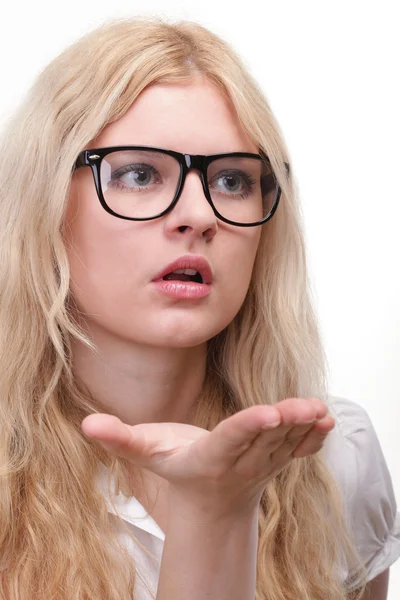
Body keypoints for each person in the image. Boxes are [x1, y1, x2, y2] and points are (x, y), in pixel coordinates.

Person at [0, 15, 398, 600]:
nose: (201, 214)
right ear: (45, 201)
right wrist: (215, 513)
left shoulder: (337, 458)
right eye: (140, 173)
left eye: (233, 180)